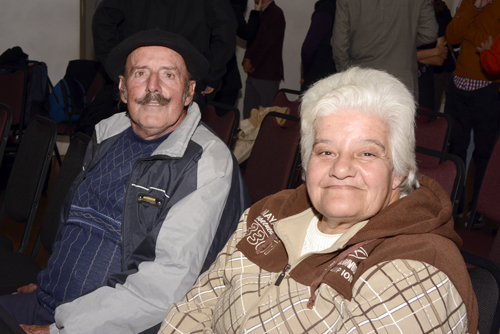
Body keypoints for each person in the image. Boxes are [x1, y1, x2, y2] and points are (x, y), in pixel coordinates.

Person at [157, 67, 479, 333]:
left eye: (366, 153)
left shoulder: (417, 267)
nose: (340, 169)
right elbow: (191, 311)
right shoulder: (269, 213)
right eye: (326, 151)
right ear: (306, 163)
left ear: (399, 172)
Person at [0, 29, 250, 334]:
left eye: (169, 75)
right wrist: (49, 284)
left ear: (189, 91)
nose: (153, 87)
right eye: (140, 73)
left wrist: (60, 329)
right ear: (122, 88)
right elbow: (76, 224)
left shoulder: (206, 163)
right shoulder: (108, 133)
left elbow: (161, 290)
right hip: (52, 304)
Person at [92, 0, 237, 106]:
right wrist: (211, 73)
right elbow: (226, 29)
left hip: (141, 74)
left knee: (137, 136)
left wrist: (118, 65)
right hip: (185, 76)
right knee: (183, 138)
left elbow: (102, 21)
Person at [444, 0, 500, 221]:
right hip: (459, 83)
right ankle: (452, 205)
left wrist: (470, 32)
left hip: (488, 85)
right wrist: (475, 7)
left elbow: (494, 44)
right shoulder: (470, 2)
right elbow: (452, 35)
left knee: (485, 153)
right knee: (455, 149)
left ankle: (478, 210)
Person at [332, 0, 438, 99]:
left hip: (361, 78)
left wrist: (348, 75)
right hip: (402, 79)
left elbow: (340, 44)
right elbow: (429, 33)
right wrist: (404, 41)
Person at [242, 0, 286, 119]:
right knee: (249, 118)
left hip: (267, 73)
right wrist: (246, 59)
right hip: (253, 73)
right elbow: (250, 37)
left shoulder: (276, 13)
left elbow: (269, 44)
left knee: (266, 117)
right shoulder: (258, 12)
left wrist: (252, 63)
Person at [417, 0, 452, 111]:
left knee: (427, 121)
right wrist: (435, 51)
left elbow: (439, 60)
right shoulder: (406, 22)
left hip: (426, 83)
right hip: (407, 81)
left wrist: (413, 55)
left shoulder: (437, 21)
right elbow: (402, 54)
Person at [300, 0, 336, 91]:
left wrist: (306, 73)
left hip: (319, 77)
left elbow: (308, 48)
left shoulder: (326, 8)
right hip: (333, 76)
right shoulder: (345, 9)